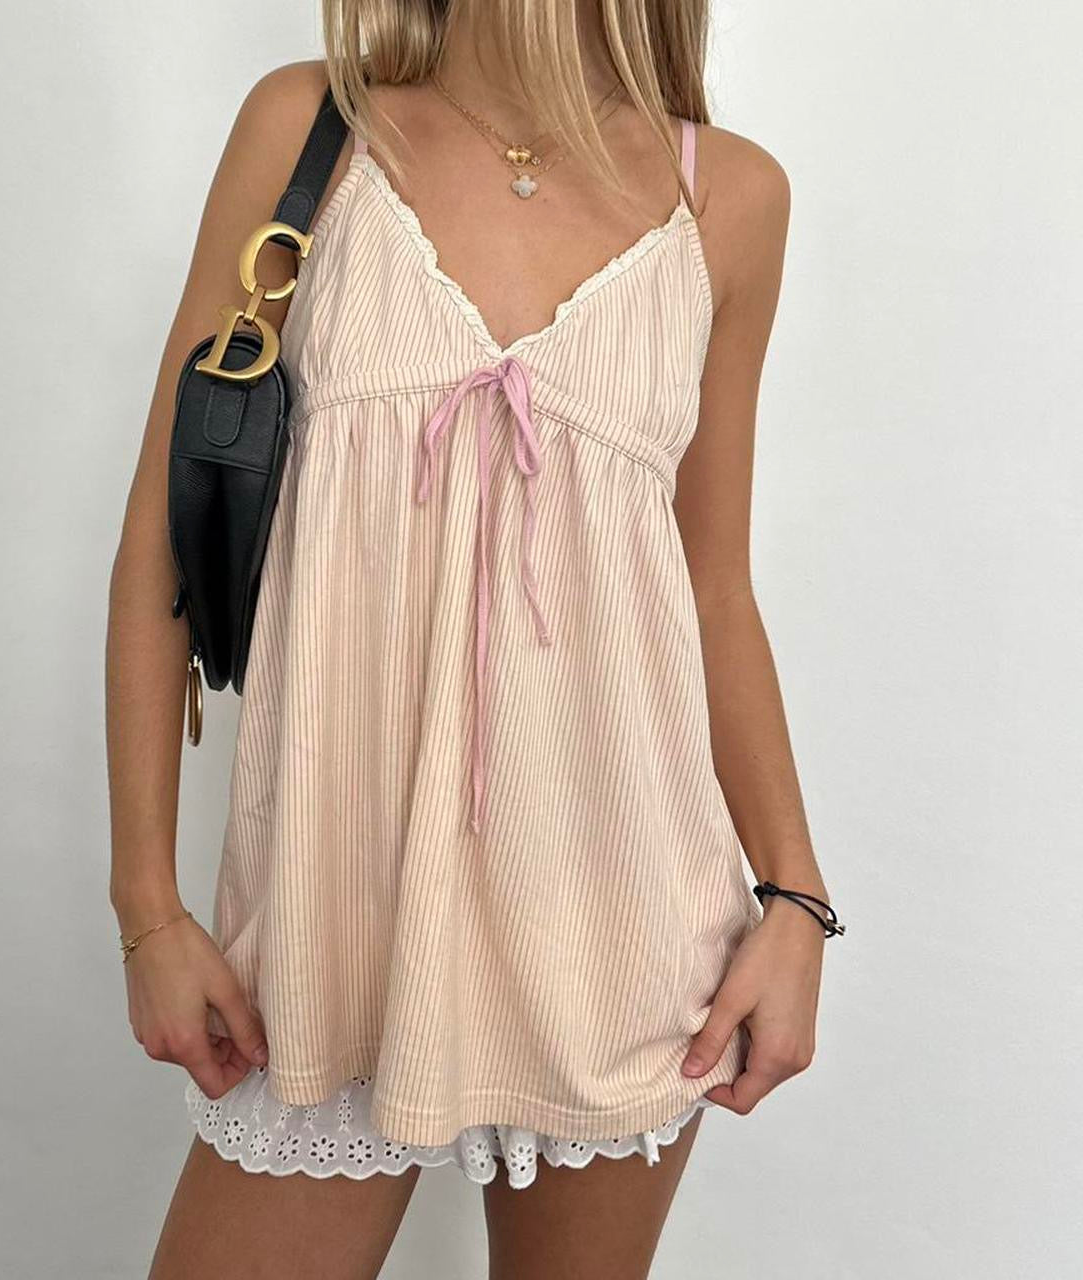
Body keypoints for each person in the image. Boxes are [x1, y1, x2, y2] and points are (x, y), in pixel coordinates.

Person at [105, 2, 836, 1276]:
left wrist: (793, 898)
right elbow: (162, 543)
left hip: (625, 929)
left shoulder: (727, 199)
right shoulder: (310, 131)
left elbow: (713, 585)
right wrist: (147, 907)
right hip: (333, 926)